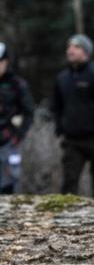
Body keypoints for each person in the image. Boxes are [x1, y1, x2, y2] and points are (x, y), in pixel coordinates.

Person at [52, 34, 94, 197]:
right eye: (69, 46)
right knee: (69, 184)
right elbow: (56, 107)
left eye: (76, 47)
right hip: (72, 139)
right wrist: (59, 130)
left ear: (86, 51)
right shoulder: (62, 78)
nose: (70, 50)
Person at [0, 42, 34, 194]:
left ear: (5, 61)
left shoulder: (17, 84)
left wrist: (18, 136)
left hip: (8, 142)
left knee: (9, 185)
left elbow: (28, 112)